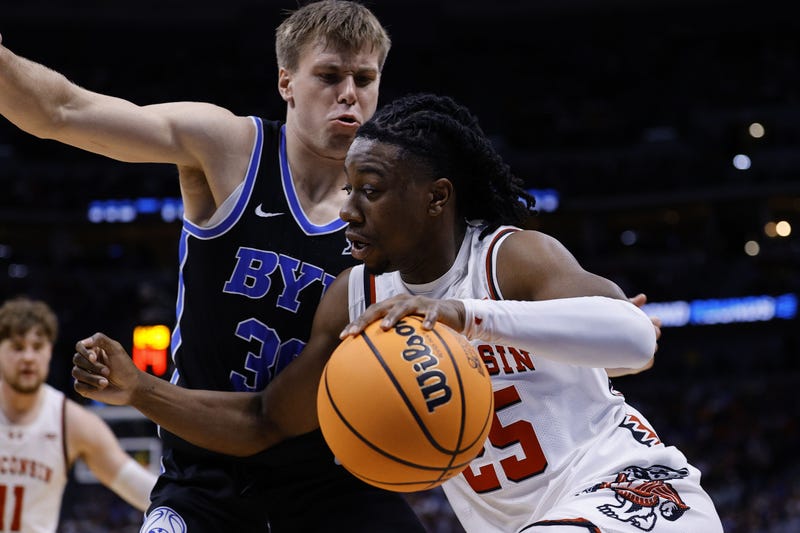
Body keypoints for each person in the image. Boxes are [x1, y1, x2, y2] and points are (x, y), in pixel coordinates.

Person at [72, 93, 718, 532]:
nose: (349, 208)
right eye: (350, 189)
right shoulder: (354, 298)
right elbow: (264, 420)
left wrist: (465, 317)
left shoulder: (510, 257)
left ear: (435, 198)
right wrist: (140, 388)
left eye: (372, 191)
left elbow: (634, 340)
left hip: (629, 492)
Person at [0, 2, 428, 531]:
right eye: (330, 75)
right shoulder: (228, 148)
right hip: (205, 475)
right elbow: (60, 111)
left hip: (332, 480)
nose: (349, 93)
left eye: (365, 78)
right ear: (286, 82)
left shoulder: (393, 210)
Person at [0, 296, 156, 533]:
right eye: (18, 347)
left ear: (49, 352)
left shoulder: (70, 421)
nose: (28, 357)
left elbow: (141, 488)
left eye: (37, 346)